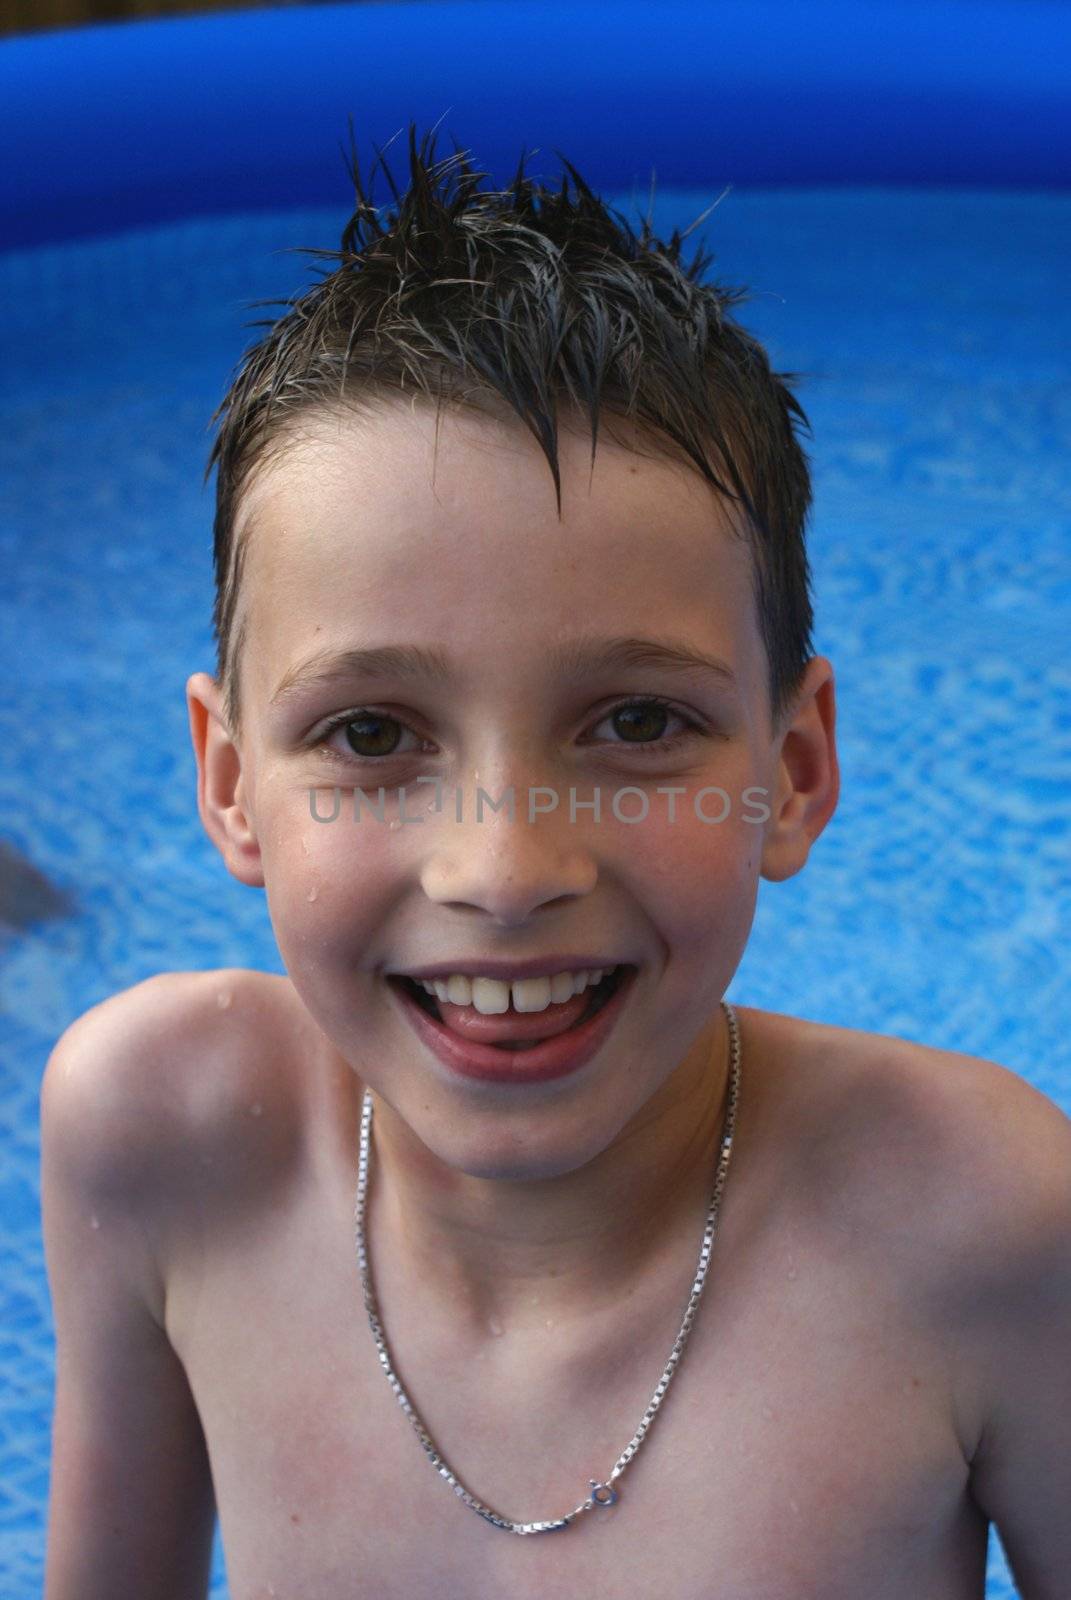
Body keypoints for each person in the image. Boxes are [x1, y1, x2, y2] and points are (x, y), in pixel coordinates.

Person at [40, 124, 1070, 1598]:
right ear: (231, 786)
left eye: (636, 720)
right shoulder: (172, 1146)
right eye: (374, 732)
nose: (506, 867)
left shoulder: (982, 1229)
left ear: (794, 769)